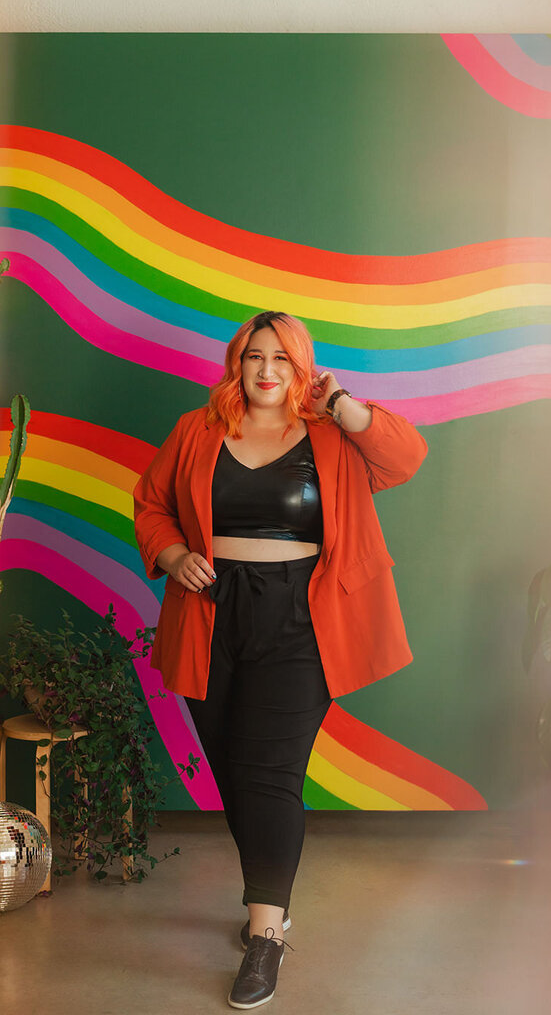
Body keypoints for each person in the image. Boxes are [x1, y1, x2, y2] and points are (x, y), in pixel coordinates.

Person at [133, 310, 427, 1009]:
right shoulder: (196, 430)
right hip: (211, 613)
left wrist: (345, 404)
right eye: (253, 356)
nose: (266, 370)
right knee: (233, 768)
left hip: (305, 618)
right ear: (236, 365)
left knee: (267, 773)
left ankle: (265, 934)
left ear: (303, 370)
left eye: (282, 360)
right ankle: (272, 898)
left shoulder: (333, 436)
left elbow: (405, 458)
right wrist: (173, 556)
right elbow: (152, 504)